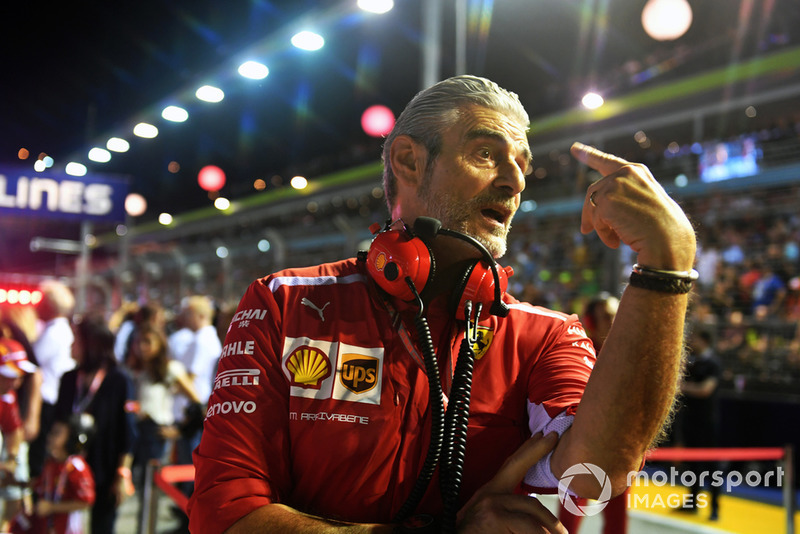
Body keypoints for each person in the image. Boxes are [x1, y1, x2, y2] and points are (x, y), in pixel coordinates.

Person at [189, 75, 697, 533]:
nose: (515, 181)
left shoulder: (546, 335)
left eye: (521, 165)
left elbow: (594, 475)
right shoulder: (284, 302)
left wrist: (665, 268)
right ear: (409, 160)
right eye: (485, 154)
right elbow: (225, 514)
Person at [53, 315, 137, 534]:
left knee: (103, 526)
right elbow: (58, 421)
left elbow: (127, 431)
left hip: (105, 467)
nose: (71, 346)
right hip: (68, 468)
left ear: (92, 345)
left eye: (76, 341)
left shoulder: (119, 379)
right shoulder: (69, 378)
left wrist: (122, 473)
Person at [558, 293, 629, 534]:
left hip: (619, 448)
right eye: (608, 317)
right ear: (590, 321)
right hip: (581, 447)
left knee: (617, 515)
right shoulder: (577, 352)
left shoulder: (630, 356)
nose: (615, 323)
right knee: (569, 515)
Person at [126, 323, 200, 532]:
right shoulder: (134, 369)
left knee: (151, 487)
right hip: (134, 429)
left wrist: (180, 431)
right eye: (139, 342)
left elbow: (197, 402)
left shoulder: (170, 368)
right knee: (138, 486)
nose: (143, 347)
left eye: (148, 342)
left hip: (155, 431)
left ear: (160, 344)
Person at [10, 414, 96, 534]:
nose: (50, 437)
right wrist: (13, 483)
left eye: (56, 433)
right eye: (52, 432)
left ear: (72, 440)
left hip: (66, 529)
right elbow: (40, 484)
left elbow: (85, 501)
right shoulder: (52, 462)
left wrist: (51, 507)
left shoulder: (76, 467)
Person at [29, 281, 76, 480]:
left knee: (37, 456)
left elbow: (32, 362)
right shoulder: (55, 329)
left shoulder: (55, 332)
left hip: (45, 402)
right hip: (47, 400)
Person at [677, 328, 722, 520]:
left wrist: (683, 387)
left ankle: (714, 508)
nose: (691, 341)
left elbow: (705, 390)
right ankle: (692, 503)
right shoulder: (693, 362)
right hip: (691, 420)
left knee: (712, 465)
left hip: (707, 422)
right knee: (693, 464)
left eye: (694, 338)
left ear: (704, 340)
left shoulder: (713, 363)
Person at [0, 337, 39, 531]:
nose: (16, 382)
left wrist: (11, 459)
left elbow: (14, 431)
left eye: (19, 375)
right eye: (9, 375)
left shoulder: (6, 395)